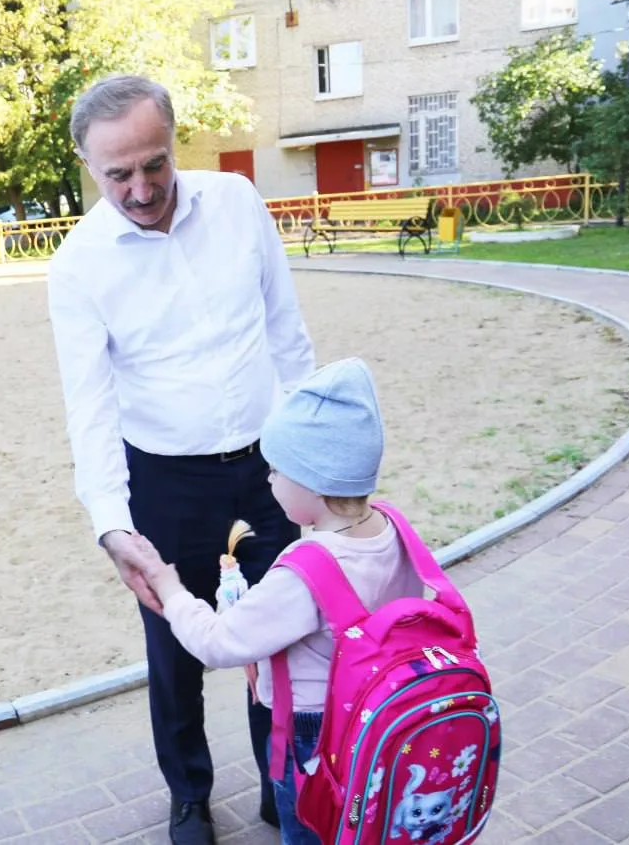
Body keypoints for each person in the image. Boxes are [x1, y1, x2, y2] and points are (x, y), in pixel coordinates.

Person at [46, 74, 315, 845]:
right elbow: (89, 405)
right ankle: (190, 796)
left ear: (173, 140)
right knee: (174, 650)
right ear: (89, 169)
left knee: (286, 631)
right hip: (163, 481)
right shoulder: (77, 265)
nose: (139, 188)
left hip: (270, 466)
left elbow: (288, 336)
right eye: (116, 174)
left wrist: (313, 459)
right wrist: (110, 524)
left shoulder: (236, 204)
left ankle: (282, 776)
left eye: (153, 164)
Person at [125, 357, 425, 845]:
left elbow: (220, 644)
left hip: (315, 740)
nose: (265, 483)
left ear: (312, 484)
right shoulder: (395, 530)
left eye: (275, 470)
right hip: (375, 719)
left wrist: (169, 586)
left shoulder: (306, 570)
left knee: (311, 829)